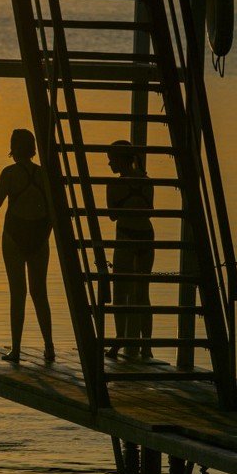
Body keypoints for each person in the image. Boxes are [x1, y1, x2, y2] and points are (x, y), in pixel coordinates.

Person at [0, 129, 54, 363]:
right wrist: (46, 232)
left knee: (17, 293)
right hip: (39, 233)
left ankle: (17, 349)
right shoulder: (43, 174)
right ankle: (49, 347)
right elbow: (53, 210)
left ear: (13, 147)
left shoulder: (9, 174)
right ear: (32, 148)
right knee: (40, 292)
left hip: (14, 233)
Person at [105, 140, 154, 360]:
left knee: (121, 292)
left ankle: (119, 340)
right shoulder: (147, 181)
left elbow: (113, 215)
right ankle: (146, 346)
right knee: (143, 293)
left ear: (120, 159)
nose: (108, 163)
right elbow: (149, 210)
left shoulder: (114, 184)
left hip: (125, 235)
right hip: (146, 236)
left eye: (111, 159)